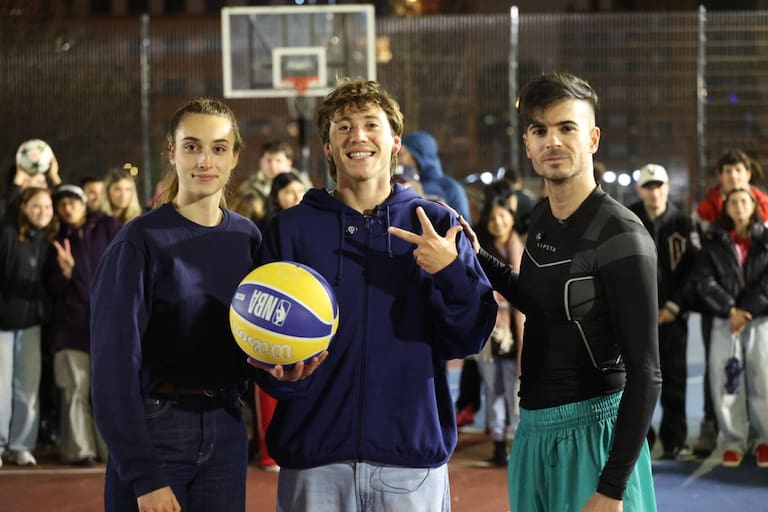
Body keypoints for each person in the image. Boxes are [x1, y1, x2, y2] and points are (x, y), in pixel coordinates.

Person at [392, 72, 661, 511]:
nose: (552, 141)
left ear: (592, 138)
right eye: (540, 130)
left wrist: (612, 488)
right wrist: (471, 255)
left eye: (566, 128)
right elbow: (542, 304)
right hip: (532, 429)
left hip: (593, 437)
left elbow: (647, 374)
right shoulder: (540, 219)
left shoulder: (622, 235)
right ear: (528, 144)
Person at [254, 78, 497, 511]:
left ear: (395, 142)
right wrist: (279, 377)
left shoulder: (437, 223)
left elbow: (469, 338)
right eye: (343, 127)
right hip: (314, 460)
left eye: (371, 124)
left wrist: (452, 275)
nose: (358, 136)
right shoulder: (290, 231)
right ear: (328, 147)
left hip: (409, 462)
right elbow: (260, 343)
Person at [89, 98, 274, 512]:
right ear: (171, 152)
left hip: (227, 429)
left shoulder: (248, 239)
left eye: (219, 148)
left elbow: (257, 342)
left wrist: (285, 366)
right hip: (157, 429)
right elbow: (112, 369)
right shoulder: (139, 242)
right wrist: (144, 474)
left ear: (235, 157)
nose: (205, 160)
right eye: (192, 146)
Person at [690, 148, 768, 457]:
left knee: (762, 377)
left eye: (744, 200)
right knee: (726, 379)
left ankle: (763, 440)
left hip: (757, 316)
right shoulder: (710, 230)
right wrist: (729, 309)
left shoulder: (764, 235)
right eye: (733, 201)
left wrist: (747, 309)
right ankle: (733, 440)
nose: (738, 204)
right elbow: (703, 277)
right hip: (724, 317)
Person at [44, 184, 121, 466]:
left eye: (72, 202)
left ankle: (110, 449)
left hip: (106, 324)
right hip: (70, 327)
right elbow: (50, 288)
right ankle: (79, 450)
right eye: (61, 204)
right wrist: (64, 273)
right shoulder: (54, 239)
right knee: (75, 390)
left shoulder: (107, 226)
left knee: (106, 391)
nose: (67, 209)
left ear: (83, 203)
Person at [628, 163, 699, 460]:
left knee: (675, 377)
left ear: (667, 188)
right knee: (637, 380)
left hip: (673, 317)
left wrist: (674, 306)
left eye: (659, 185)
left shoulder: (683, 224)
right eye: (648, 186)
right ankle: (641, 440)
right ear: (640, 190)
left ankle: (674, 440)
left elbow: (695, 270)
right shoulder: (628, 220)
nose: (654, 192)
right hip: (637, 319)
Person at [0, 187, 56, 467]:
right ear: (23, 207)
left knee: (27, 387)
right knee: (1, 387)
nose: (43, 211)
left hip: (32, 324)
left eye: (48, 206)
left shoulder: (47, 239)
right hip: (3, 325)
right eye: (37, 206)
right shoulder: (7, 234)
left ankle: (20, 445)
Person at [472, 191, 525, 466]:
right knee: (493, 391)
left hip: (518, 334)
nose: (497, 223)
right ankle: (498, 444)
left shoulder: (521, 250)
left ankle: (518, 443)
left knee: (515, 389)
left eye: (502, 216)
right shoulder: (480, 251)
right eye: (492, 218)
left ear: (512, 219)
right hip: (490, 335)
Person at [399, 130, 471, 220]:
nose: (398, 160)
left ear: (418, 155)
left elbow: (464, 229)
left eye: (401, 154)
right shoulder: (400, 184)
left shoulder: (450, 188)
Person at [238, 140, 312, 199]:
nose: (273, 165)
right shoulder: (249, 187)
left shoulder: (302, 182)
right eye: (269, 160)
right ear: (261, 162)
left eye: (278, 161)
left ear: (289, 163)